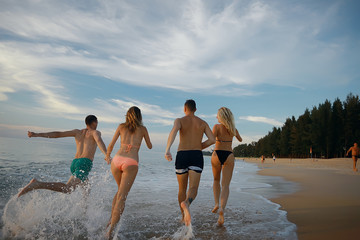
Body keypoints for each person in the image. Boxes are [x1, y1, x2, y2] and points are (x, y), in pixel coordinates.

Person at [18, 115, 108, 197]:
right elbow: (99, 141)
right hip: (84, 163)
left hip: (75, 163)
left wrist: (37, 134)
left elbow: (58, 134)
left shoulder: (77, 132)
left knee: (86, 188)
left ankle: (84, 212)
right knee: (68, 189)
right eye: (97, 122)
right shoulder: (95, 132)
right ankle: (38, 184)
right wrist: (106, 154)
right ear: (94, 122)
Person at [165, 99, 215, 226]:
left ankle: (183, 217)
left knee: (182, 189)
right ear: (195, 109)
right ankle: (187, 203)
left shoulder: (179, 120)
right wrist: (199, 146)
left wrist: (167, 150)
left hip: (182, 154)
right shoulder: (202, 123)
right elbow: (212, 140)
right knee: (193, 188)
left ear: (184, 108)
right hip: (196, 155)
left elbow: (174, 132)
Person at [105, 106, 152, 239]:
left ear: (127, 115)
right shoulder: (143, 129)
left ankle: (110, 220)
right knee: (122, 196)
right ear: (139, 116)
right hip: (131, 162)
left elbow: (111, 145)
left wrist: (108, 155)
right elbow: (150, 146)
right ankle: (110, 232)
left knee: (120, 191)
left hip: (117, 160)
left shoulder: (121, 126)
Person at [211, 107, 242, 226]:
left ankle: (216, 204)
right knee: (225, 185)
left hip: (216, 154)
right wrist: (234, 133)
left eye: (217, 115)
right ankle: (222, 208)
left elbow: (212, 140)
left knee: (216, 180)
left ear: (221, 117)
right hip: (229, 155)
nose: (216, 117)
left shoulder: (216, 127)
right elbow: (240, 139)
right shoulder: (233, 129)